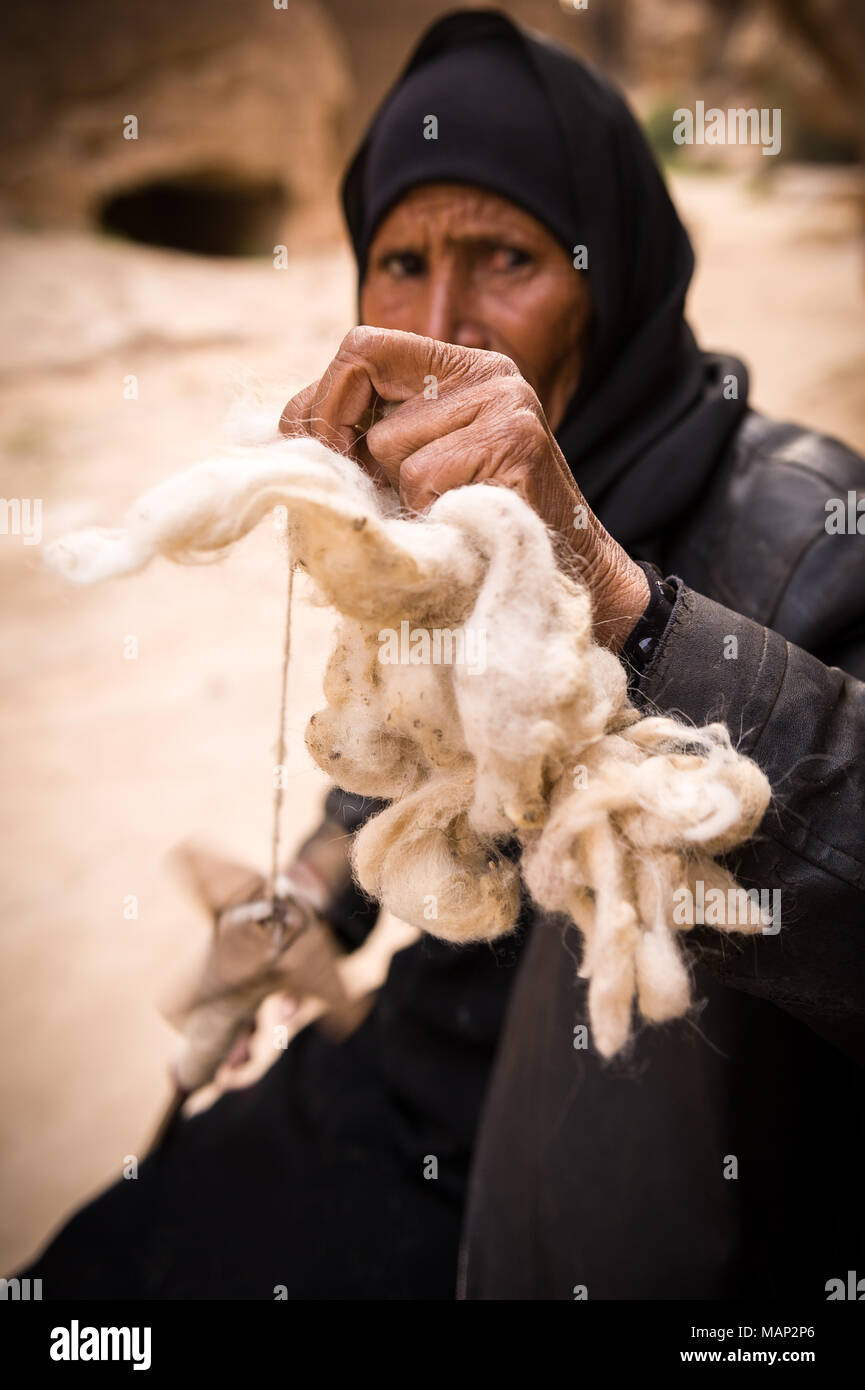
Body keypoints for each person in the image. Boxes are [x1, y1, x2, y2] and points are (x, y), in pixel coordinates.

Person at [21, 9, 864, 1299]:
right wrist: (311, 890)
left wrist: (616, 604)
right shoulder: (443, 532)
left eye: (508, 257)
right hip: (413, 1068)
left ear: (616, 274)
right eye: (400, 263)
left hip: (631, 1172)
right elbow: (398, 763)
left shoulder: (811, 531)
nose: (446, 321)